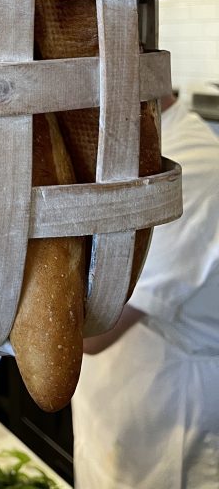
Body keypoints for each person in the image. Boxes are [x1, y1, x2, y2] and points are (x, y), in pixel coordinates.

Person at [71, 94, 219, 488]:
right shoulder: (114, 144)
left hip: (170, 423)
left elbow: (97, 329)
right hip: (113, 404)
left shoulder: (196, 167)